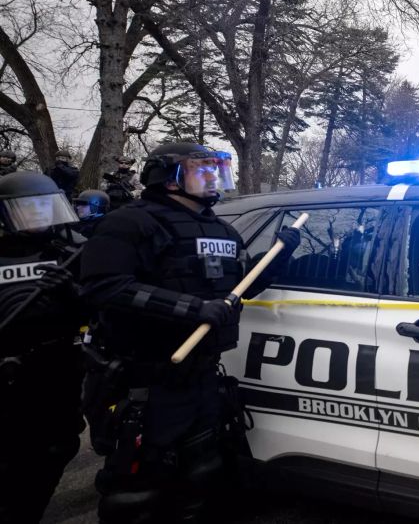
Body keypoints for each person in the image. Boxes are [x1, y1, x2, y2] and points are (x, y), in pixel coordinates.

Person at [79, 142, 302, 522]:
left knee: (201, 476)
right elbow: (104, 285)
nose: (214, 176)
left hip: (202, 377)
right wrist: (192, 310)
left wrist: (277, 258)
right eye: (203, 169)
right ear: (168, 178)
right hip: (148, 380)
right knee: (140, 490)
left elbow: (240, 288)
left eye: (217, 169)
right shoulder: (130, 223)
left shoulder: (223, 230)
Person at [0, 171, 86, 523]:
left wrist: (72, 292)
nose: (38, 215)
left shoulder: (69, 251)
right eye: (27, 208)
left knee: (57, 446)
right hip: (6, 368)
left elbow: (98, 310)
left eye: (43, 206)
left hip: (57, 365)